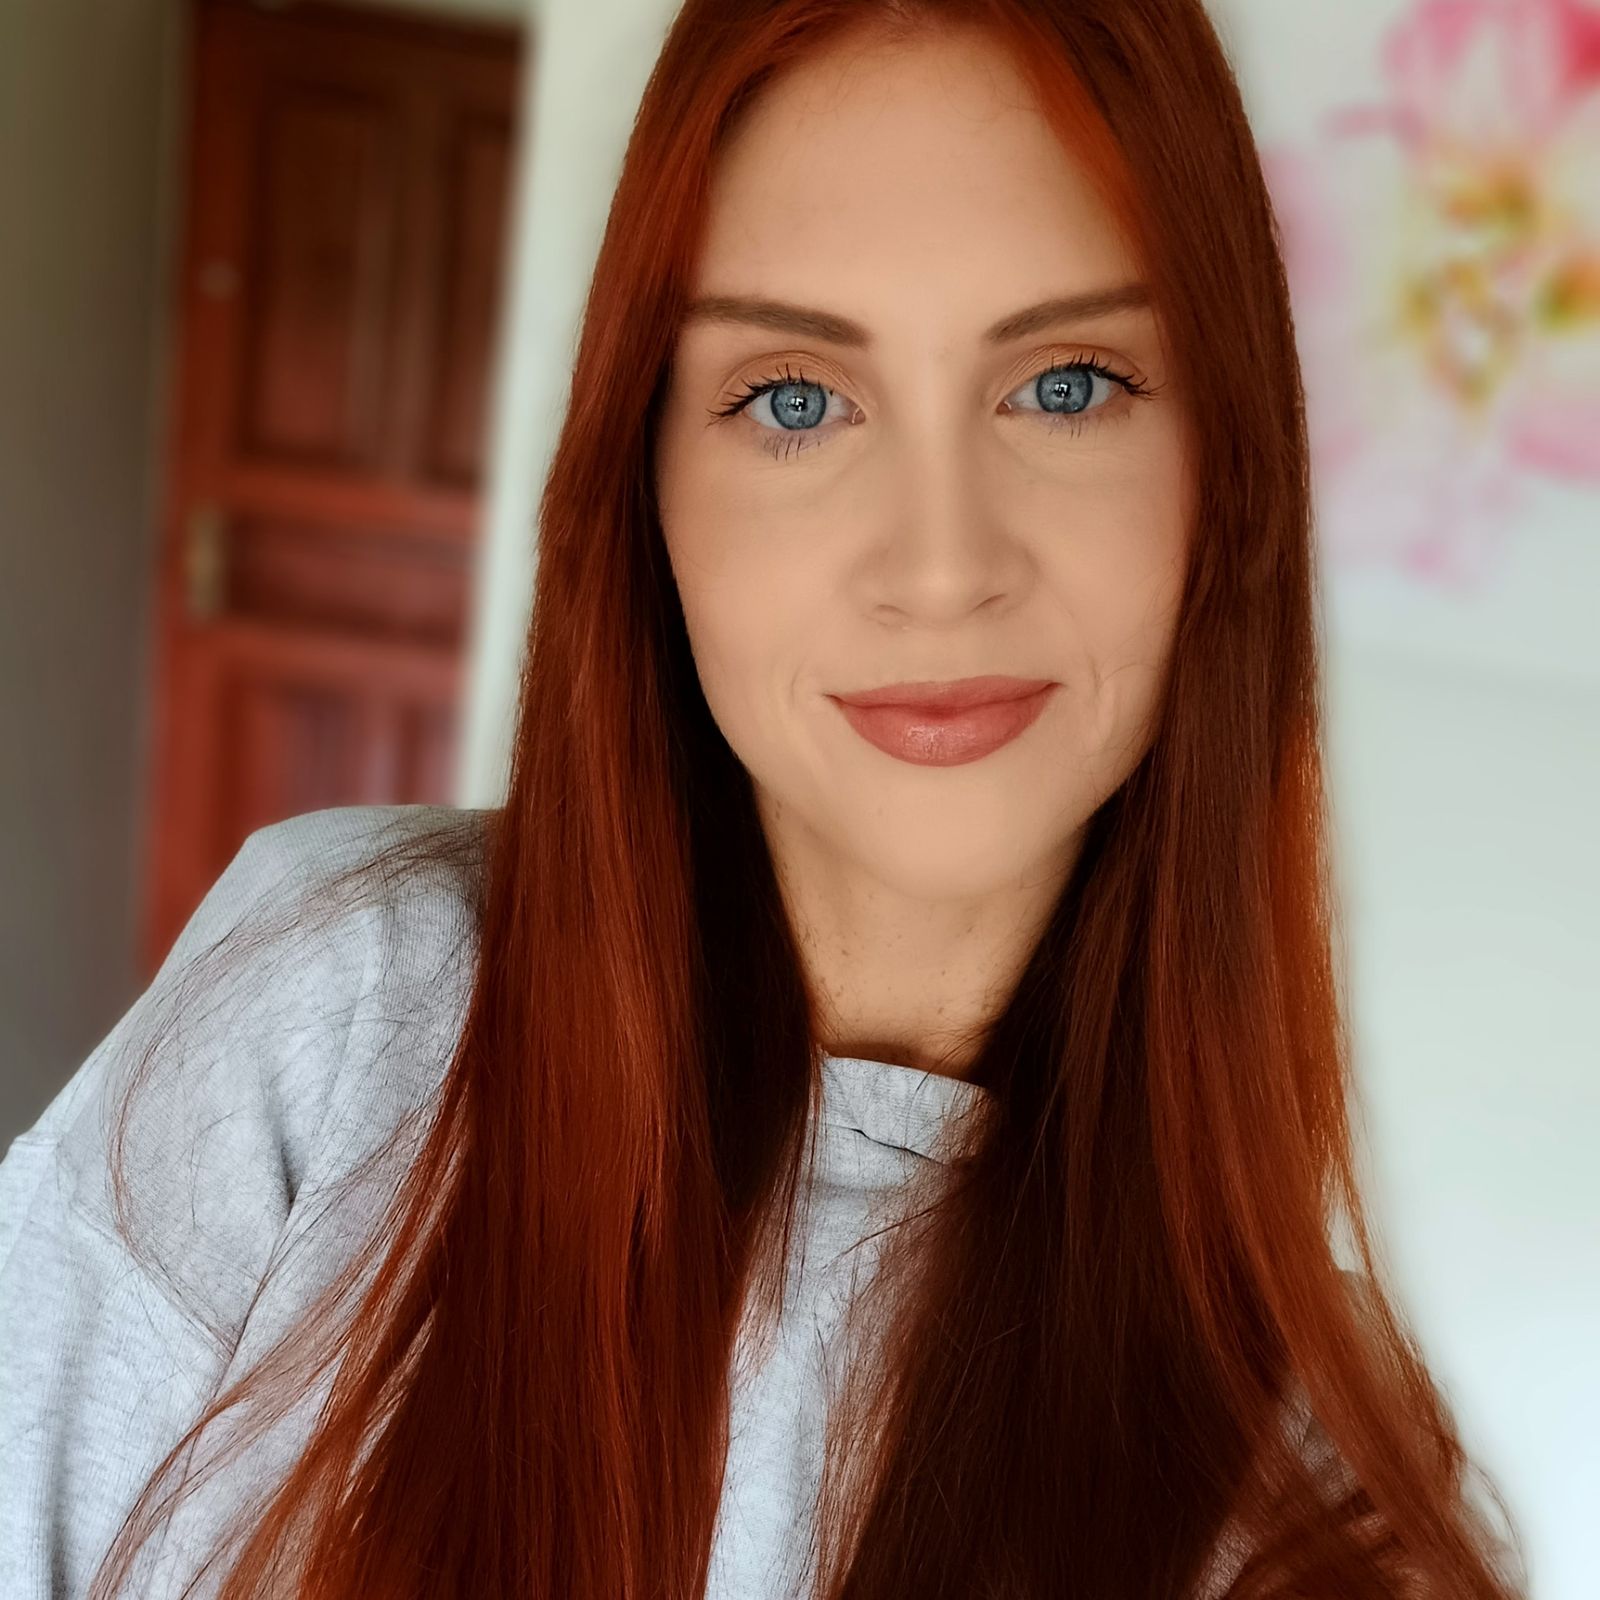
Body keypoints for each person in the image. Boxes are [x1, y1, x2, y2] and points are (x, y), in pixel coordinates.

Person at [0, 1, 1528, 1597]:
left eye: (1070, 383)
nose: (939, 567)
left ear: (1232, 472)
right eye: (796, 398)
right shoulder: (343, 1009)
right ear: (646, 482)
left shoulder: (1311, 1487)